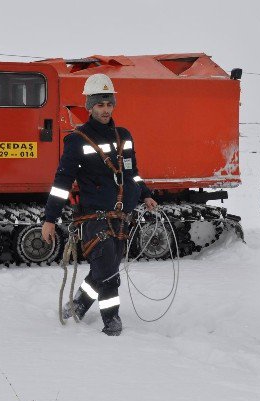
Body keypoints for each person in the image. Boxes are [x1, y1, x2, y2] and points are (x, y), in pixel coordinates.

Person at [41, 73, 158, 336]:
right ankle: (111, 321)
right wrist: (50, 218)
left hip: (122, 216)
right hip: (94, 217)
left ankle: (79, 305)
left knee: (104, 269)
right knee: (107, 271)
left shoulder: (124, 136)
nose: (105, 110)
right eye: (99, 105)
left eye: (109, 104)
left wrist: (145, 193)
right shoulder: (77, 140)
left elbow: (132, 173)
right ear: (89, 107)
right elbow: (62, 181)